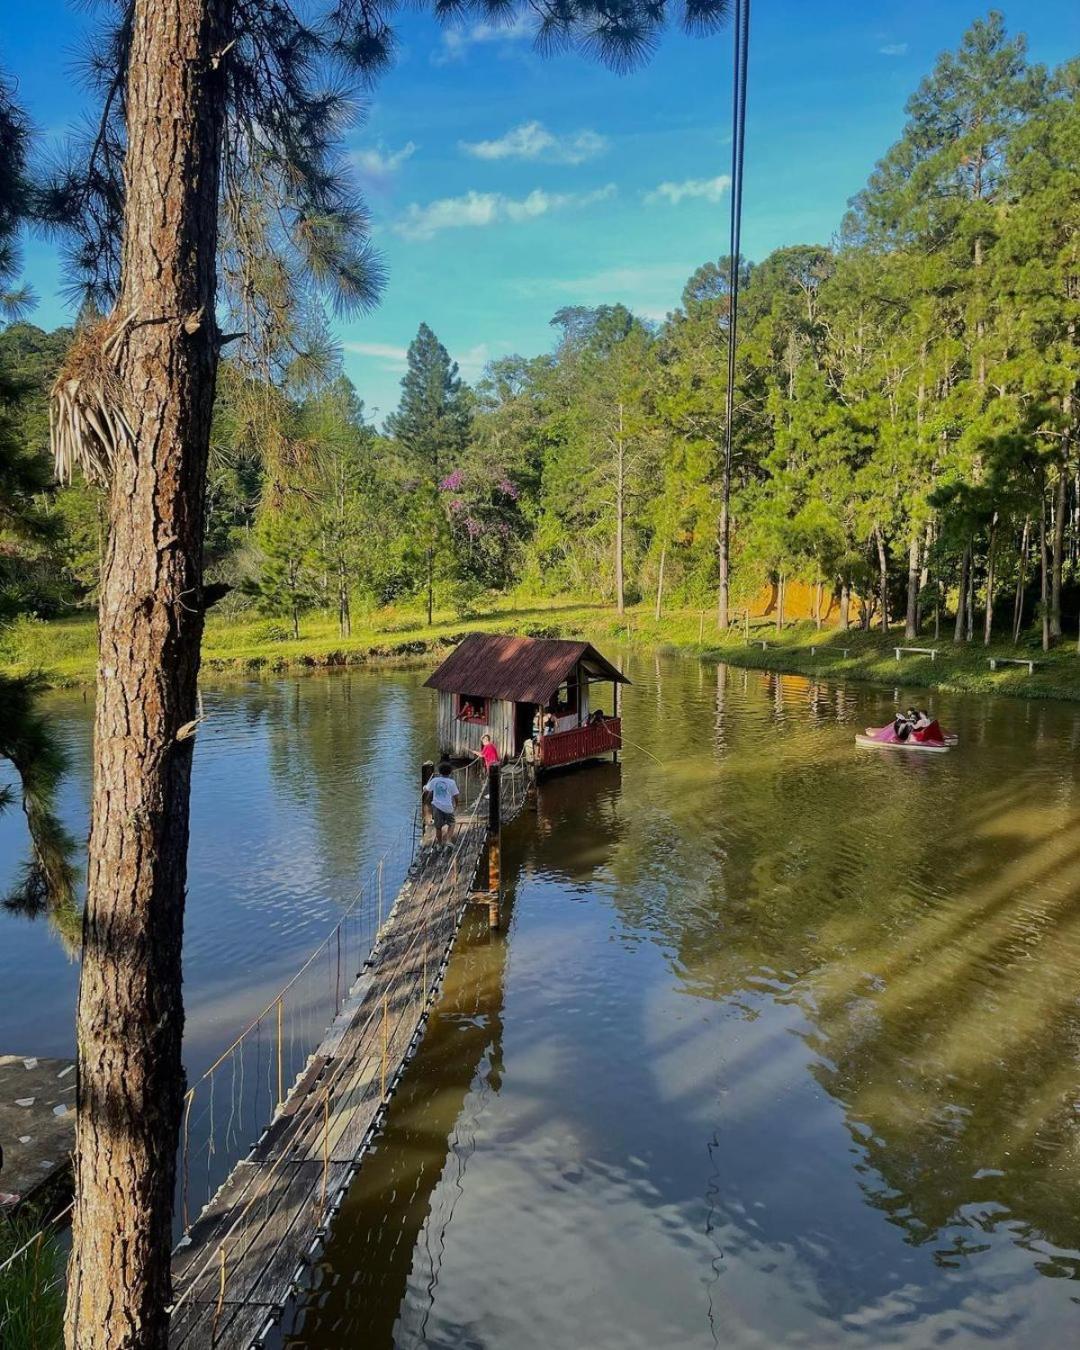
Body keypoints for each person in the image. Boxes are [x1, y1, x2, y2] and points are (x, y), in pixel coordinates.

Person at [424, 761, 460, 847]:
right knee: (452, 823)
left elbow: (427, 788)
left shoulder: (435, 780)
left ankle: (439, 844)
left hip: (436, 806)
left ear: (439, 772)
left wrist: (424, 787)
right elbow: (456, 796)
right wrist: (456, 805)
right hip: (448, 807)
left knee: (438, 827)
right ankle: (448, 840)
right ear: (450, 772)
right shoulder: (452, 782)